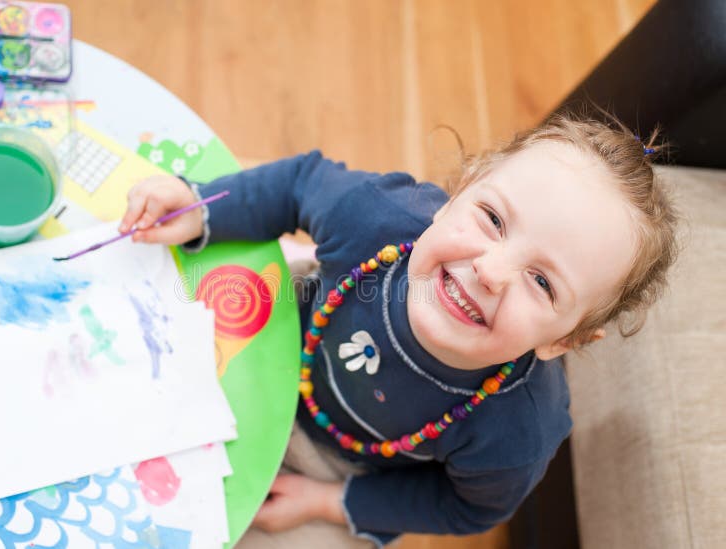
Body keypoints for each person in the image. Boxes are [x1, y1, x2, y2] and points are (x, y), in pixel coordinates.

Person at [119, 112, 678, 547]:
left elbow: (469, 508)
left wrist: (332, 502)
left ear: (565, 340)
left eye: (543, 283)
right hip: (280, 332)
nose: (490, 270)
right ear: (461, 189)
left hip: (342, 466)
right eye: (493, 219)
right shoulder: (378, 216)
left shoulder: (520, 431)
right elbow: (298, 182)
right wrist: (199, 205)